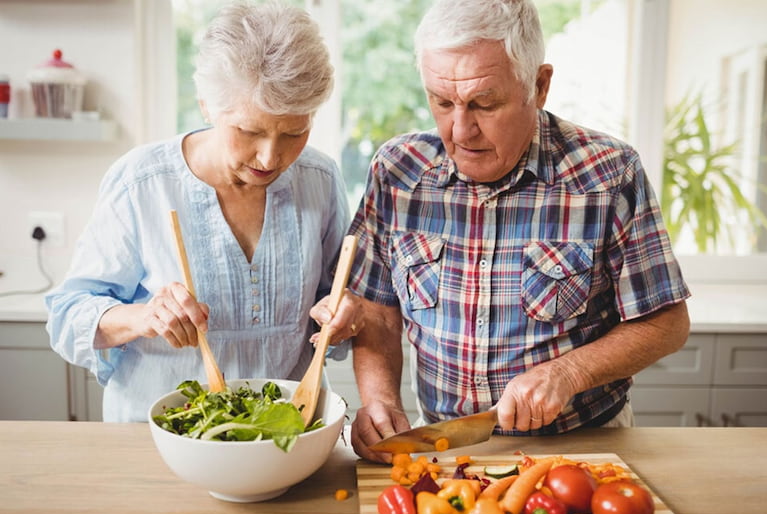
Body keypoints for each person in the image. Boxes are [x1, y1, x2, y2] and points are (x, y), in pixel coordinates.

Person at [348, 0, 691, 463]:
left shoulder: (608, 174)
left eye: (484, 103)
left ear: (540, 84)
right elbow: (376, 311)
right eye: (442, 101)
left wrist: (568, 373)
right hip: (445, 444)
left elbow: (666, 322)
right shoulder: (397, 171)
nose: (460, 129)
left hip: (583, 445)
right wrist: (380, 401)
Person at [46, 1, 362, 422]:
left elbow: (333, 297)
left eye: (294, 132)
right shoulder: (142, 182)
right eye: (249, 131)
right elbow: (68, 316)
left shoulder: (319, 179)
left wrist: (343, 314)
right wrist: (145, 317)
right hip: (156, 437)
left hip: (285, 436)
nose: (270, 157)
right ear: (207, 106)